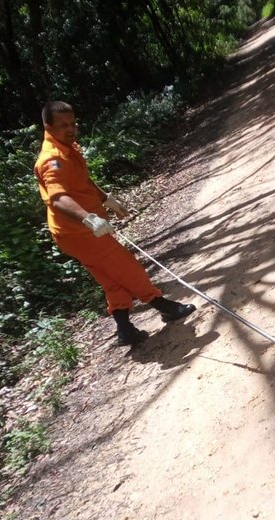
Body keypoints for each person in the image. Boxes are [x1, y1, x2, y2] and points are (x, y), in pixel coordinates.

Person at [34, 100, 195, 346]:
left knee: (111, 278)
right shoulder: (52, 160)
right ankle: (166, 307)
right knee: (127, 268)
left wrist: (105, 199)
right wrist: (88, 219)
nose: (70, 129)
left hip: (72, 233)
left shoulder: (65, 147)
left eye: (73, 123)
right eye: (63, 125)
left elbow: (81, 183)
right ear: (47, 126)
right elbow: (58, 198)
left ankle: (125, 329)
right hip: (80, 232)